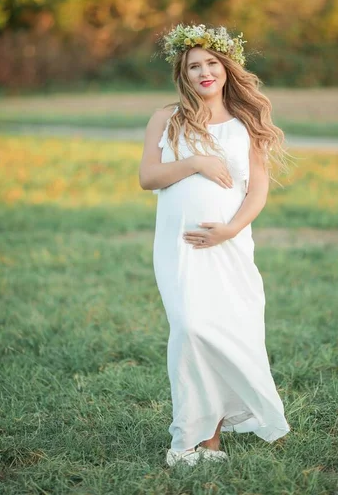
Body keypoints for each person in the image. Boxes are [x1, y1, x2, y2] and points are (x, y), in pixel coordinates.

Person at [139, 24, 290, 467]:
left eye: (211, 63)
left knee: (228, 331)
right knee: (190, 329)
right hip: (180, 248)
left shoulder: (247, 124)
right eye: (193, 66)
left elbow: (257, 190)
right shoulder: (166, 118)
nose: (204, 72)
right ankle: (190, 437)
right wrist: (195, 162)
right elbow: (148, 177)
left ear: (226, 68)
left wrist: (229, 230)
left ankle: (214, 437)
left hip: (230, 245)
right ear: (181, 75)